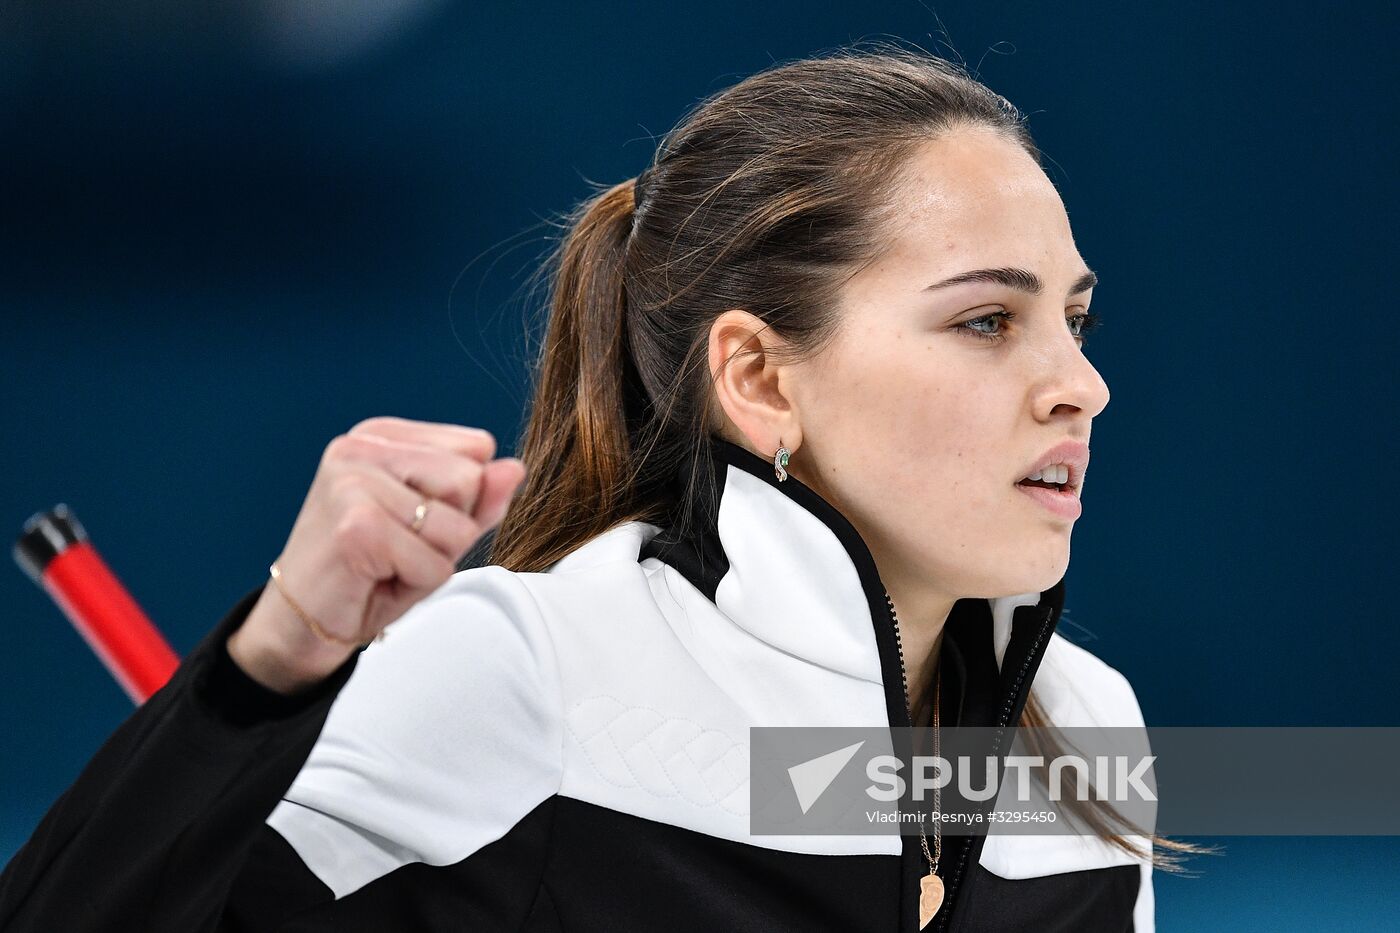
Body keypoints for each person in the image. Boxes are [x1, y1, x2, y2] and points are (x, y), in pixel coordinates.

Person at [0, 43, 1186, 932]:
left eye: (1072, 320)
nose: (1079, 384)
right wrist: (266, 673)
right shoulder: (532, 669)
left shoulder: (1088, 731)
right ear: (761, 379)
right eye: (987, 320)